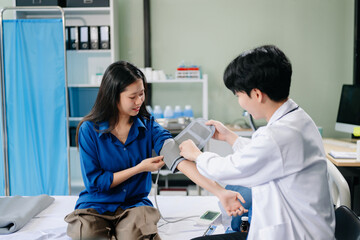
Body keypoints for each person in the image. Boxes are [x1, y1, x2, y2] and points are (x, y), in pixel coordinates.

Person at [64, 61, 246, 240]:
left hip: (133, 206)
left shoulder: (148, 125)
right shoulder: (89, 130)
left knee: (135, 235)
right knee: (87, 234)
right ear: (113, 96)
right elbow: (95, 182)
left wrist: (220, 192)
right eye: (132, 96)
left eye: (142, 94)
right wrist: (139, 168)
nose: (139, 101)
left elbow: (177, 158)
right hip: (96, 205)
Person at [179, 45, 335, 240]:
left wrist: (197, 155)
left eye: (238, 95)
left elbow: (232, 168)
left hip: (296, 234)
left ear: (257, 94)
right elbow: (268, 156)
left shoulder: (276, 136)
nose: (239, 102)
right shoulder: (298, 119)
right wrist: (231, 137)